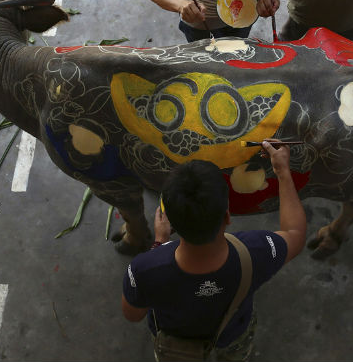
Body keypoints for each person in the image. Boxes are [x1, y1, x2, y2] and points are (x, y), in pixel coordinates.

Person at [121, 142, 306, 361]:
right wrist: (283, 171)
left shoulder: (144, 268)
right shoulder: (256, 251)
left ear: (171, 222)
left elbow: (132, 315)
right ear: (227, 217)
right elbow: (295, 232)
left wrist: (159, 243)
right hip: (233, 335)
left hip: (175, 346)